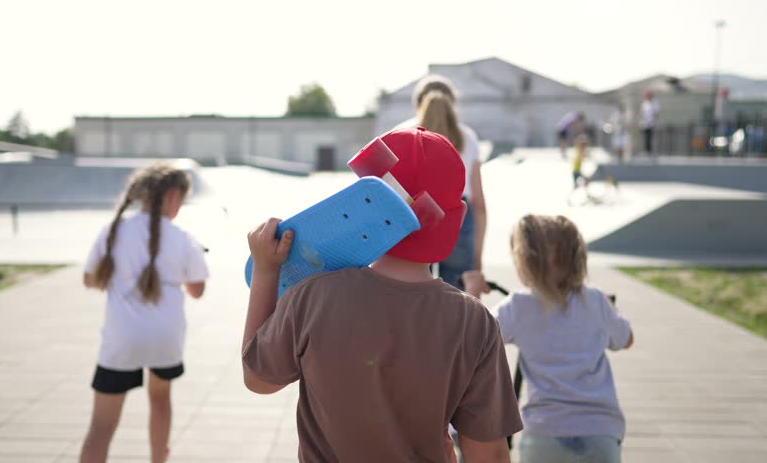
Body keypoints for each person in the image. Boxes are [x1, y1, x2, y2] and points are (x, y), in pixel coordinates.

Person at [242, 127, 523, 462]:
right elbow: (487, 453)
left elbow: (258, 378)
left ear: (359, 200)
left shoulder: (312, 297)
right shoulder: (473, 321)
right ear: (455, 218)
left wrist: (265, 271)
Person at [79, 163, 209, 463]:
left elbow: (89, 280)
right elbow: (197, 290)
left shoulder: (113, 231)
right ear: (174, 197)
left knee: (101, 426)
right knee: (160, 400)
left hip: (120, 339)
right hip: (165, 337)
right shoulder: (183, 237)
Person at [496, 214, 633, 463]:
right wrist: (613, 315)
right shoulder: (596, 301)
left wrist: (471, 292)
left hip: (545, 433)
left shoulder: (517, 306)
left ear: (524, 261)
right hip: (600, 431)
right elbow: (627, 339)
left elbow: (476, 336)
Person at [395, 74, 490, 296]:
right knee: (456, 300)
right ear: (453, 104)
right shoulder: (468, 138)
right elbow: (479, 204)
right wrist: (477, 260)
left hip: (413, 217)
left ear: (417, 103)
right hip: (458, 217)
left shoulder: (402, 134)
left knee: (414, 297)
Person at [640, 91, 659, 157]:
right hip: (645, 123)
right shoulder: (644, 104)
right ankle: (647, 151)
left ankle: (652, 152)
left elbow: (656, 113)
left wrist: (654, 122)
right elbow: (642, 114)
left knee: (651, 138)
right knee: (646, 137)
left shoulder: (655, 103)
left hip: (651, 123)